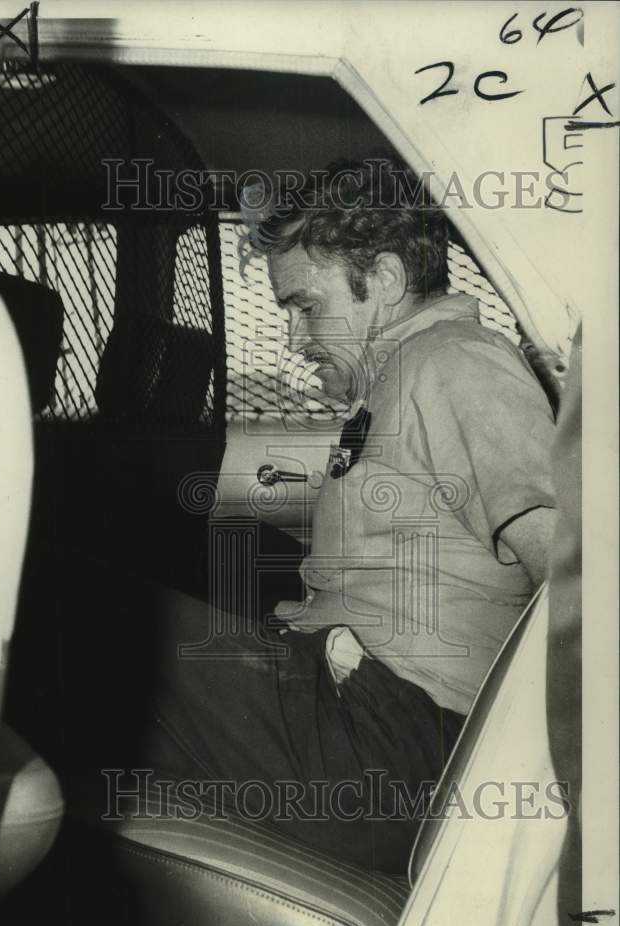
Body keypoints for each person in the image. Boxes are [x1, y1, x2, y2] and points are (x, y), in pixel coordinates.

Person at [116, 157, 558, 873]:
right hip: (366, 709)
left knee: (65, 615)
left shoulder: (456, 365)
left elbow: (578, 573)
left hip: (391, 746)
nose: (294, 340)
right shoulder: (403, 377)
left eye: (305, 307)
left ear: (382, 281)